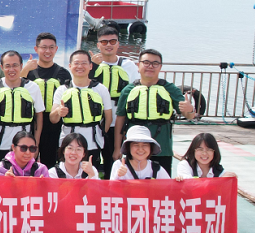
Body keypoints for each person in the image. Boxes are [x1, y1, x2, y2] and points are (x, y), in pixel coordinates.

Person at [103, 125, 171, 233]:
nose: (140, 149)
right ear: (128, 147)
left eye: (144, 145)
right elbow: (110, 193)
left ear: (151, 148)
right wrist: (118, 177)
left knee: (150, 230)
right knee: (123, 230)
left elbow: (170, 189)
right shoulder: (119, 165)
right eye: (136, 145)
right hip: (124, 216)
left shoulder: (157, 168)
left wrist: (180, 180)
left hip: (149, 217)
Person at [114, 49, 196, 176]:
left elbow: (189, 115)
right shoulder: (128, 90)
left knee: (162, 183)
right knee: (132, 182)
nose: (150, 66)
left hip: (162, 147)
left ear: (160, 67)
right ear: (138, 65)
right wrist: (117, 148)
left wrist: (190, 109)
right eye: (146, 62)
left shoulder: (170, 89)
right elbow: (120, 119)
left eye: (155, 63)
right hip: (135, 148)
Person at [173, 133, 237, 233]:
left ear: (215, 152)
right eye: (200, 149)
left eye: (209, 149)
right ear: (193, 150)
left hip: (204, 216)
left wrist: (230, 178)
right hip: (182, 212)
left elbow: (227, 183)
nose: (204, 153)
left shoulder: (218, 170)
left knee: (202, 228)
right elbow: (190, 185)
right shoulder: (185, 165)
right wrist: (216, 183)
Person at [47, 133, 99, 233]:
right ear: (63, 151)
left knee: (87, 227)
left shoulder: (90, 170)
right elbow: (53, 203)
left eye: (78, 149)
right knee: (68, 228)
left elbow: (98, 198)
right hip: (61, 218)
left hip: (84, 217)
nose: (73, 153)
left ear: (84, 153)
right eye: (70, 148)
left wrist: (92, 175)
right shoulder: (53, 172)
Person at [48, 50, 112, 174]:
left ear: (90, 66)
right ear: (70, 66)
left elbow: (108, 118)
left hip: (93, 143)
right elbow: (53, 119)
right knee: (67, 177)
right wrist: (58, 111)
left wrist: (99, 133)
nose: (80, 66)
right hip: (68, 144)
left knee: (90, 177)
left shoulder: (100, 89)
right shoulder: (62, 90)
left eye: (84, 63)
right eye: (76, 63)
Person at [0, 51, 44, 165]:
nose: (11, 69)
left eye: (15, 65)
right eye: (7, 66)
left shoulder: (32, 87)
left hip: (25, 146)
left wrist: (36, 144)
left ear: (21, 66)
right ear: (2, 67)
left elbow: (39, 115)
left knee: (24, 175)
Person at [90, 27, 139, 177]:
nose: (108, 45)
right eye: (104, 42)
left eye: (112, 41)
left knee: (114, 160)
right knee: (92, 160)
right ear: (98, 45)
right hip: (95, 121)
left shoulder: (128, 65)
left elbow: (136, 90)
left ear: (118, 44)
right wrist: (93, 66)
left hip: (118, 121)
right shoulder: (91, 64)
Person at [21, 33, 72, 168]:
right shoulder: (28, 72)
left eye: (51, 47)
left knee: (50, 161)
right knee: (26, 160)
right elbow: (14, 87)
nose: (47, 51)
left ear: (56, 49)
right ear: (36, 49)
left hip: (53, 124)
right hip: (31, 121)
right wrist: (25, 69)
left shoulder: (63, 73)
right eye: (44, 47)